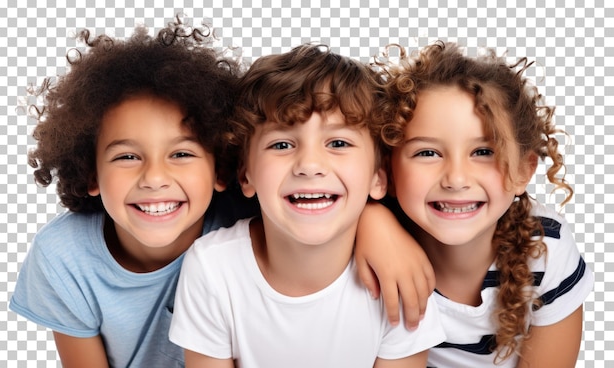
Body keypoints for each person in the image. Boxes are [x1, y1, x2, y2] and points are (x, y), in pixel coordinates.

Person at [169, 44, 446, 368]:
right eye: (282, 144)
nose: (310, 165)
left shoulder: (399, 277)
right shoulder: (213, 268)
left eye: (338, 143)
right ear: (245, 175)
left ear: (378, 176)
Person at [9, 19, 256, 367]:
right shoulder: (63, 257)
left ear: (220, 169)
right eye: (127, 156)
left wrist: (366, 222)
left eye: (182, 154)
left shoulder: (248, 222)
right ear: (91, 173)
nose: (154, 178)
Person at [359, 41, 594, 367]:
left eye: (484, 152)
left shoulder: (545, 249)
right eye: (427, 153)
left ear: (523, 171)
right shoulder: (365, 240)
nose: (456, 179)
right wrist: (370, 221)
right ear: (387, 170)